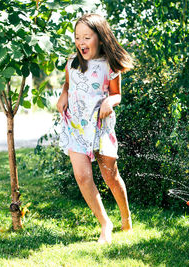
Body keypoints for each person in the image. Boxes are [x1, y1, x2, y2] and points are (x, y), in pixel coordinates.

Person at [56, 13, 133, 244]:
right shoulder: (72, 63)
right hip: (76, 127)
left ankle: (126, 217)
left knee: (110, 176)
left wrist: (110, 101)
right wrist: (63, 95)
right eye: (77, 37)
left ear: (99, 38)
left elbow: (116, 93)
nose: (81, 42)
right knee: (82, 176)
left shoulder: (109, 65)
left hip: (100, 127)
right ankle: (105, 223)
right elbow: (68, 86)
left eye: (86, 37)